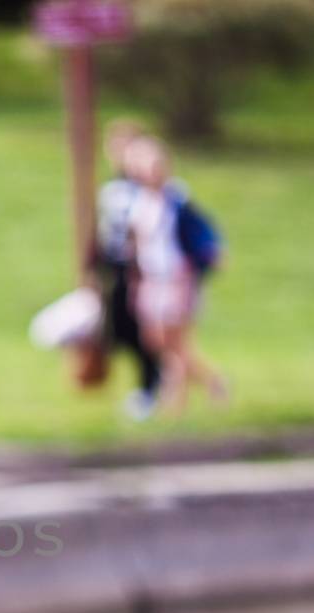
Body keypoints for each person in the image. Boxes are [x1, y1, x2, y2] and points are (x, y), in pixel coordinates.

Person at [123, 135, 226, 416]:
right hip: (151, 278)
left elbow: (197, 235)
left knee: (177, 343)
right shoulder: (139, 199)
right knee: (156, 342)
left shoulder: (176, 199)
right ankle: (213, 381)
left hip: (177, 277)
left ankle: (175, 405)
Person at [82, 120, 164, 420]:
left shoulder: (153, 192)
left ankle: (153, 384)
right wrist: (94, 266)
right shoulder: (113, 188)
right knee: (117, 327)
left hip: (144, 271)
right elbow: (106, 230)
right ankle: (150, 382)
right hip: (115, 268)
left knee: (144, 330)